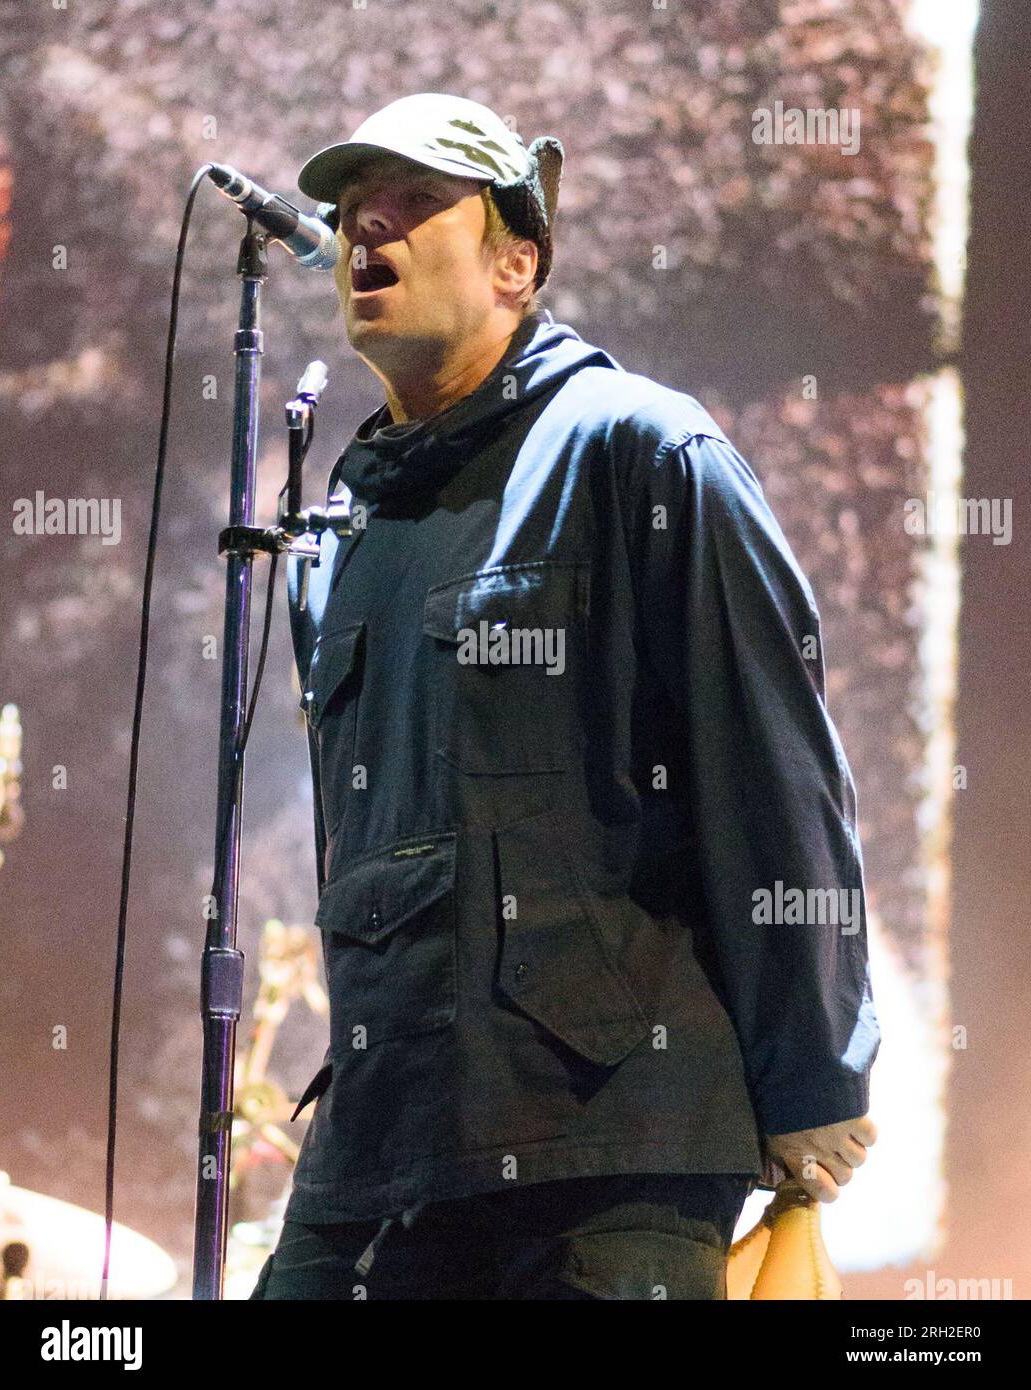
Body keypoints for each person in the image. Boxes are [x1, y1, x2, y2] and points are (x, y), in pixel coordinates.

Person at [249, 93, 880, 1301]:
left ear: (515, 263)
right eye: (351, 211)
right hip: (382, 1139)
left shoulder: (640, 449)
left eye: (414, 204)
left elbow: (770, 768)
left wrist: (814, 1074)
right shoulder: (349, 515)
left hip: (604, 1149)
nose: (365, 227)